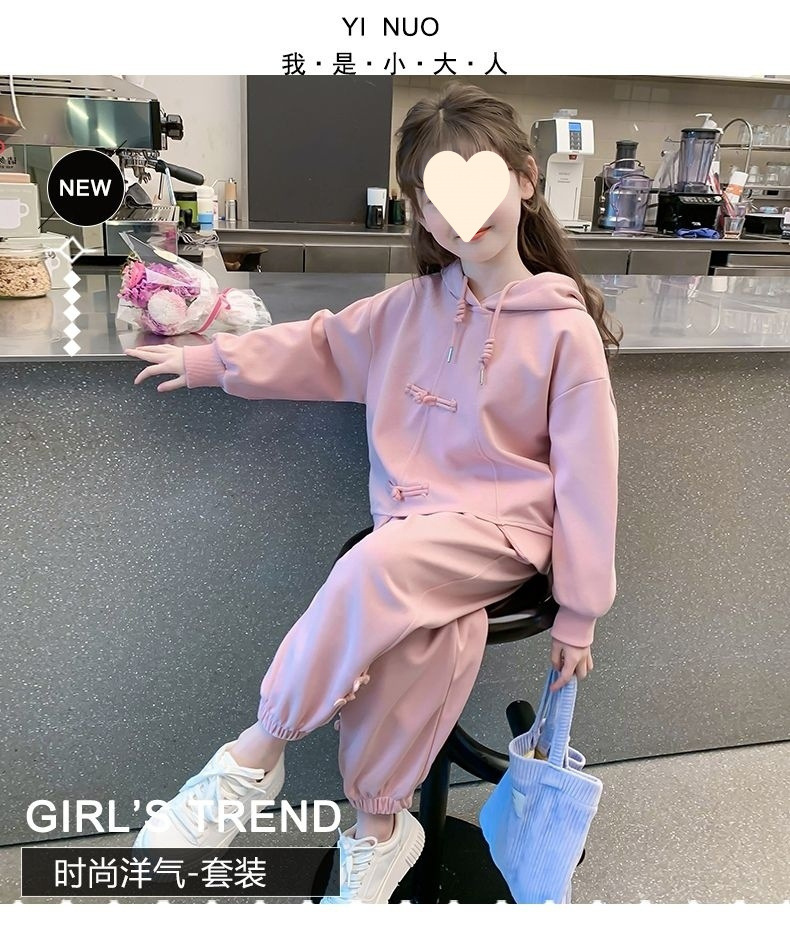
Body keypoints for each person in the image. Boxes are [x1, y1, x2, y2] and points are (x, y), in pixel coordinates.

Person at [124, 81, 621, 904]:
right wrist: (211, 361)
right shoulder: (406, 310)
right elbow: (316, 348)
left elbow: (590, 474)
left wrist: (581, 609)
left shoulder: (562, 331)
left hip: (501, 531)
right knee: (429, 635)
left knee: (377, 569)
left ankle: (255, 754)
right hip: (412, 527)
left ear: (526, 181)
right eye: (438, 197)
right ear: (421, 212)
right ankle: (379, 831)